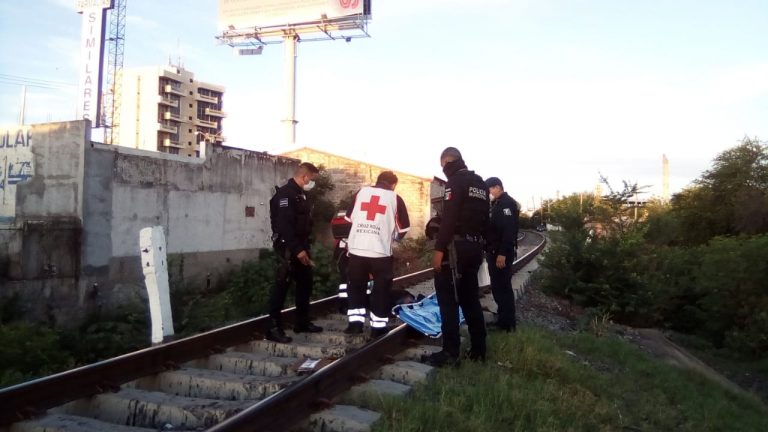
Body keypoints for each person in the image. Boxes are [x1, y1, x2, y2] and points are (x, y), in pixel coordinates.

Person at [424, 147, 490, 367]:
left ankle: (450, 353)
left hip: (455, 249)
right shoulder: (480, 183)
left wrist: (439, 249)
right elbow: (485, 220)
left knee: (448, 300)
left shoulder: (455, 182)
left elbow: (450, 219)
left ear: (447, 161)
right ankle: (479, 350)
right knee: (470, 299)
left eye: (442, 165)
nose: (443, 170)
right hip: (474, 247)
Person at [344, 171, 411, 338]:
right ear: (393, 184)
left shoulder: (361, 192)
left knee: (356, 287)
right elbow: (403, 228)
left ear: (378, 180)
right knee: (380, 290)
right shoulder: (394, 197)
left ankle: (355, 325)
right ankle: (378, 328)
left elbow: (349, 218)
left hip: (356, 250)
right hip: (380, 252)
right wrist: (393, 237)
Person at [267, 162, 324, 343]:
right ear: (304, 177)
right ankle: (273, 328)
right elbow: (284, 226)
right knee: (282, 285)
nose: (312, 182)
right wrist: (297, 250)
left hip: (300, 245)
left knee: (305, 283)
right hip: (288, 247)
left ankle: (302, 322)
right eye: (311, 179)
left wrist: (303, 247)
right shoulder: (286, 194)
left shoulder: (301, 195)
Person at [485, 177, 520, 332]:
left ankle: (508, 324)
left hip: (501, 254)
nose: (490, 193)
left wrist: (502, 253)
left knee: (503, 287)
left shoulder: (506, 204)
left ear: (498, 187)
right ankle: (502, 319)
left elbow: (508, 231)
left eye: (490, 189)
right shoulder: (497, 204)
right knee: (498, 287)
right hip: (494, 252)